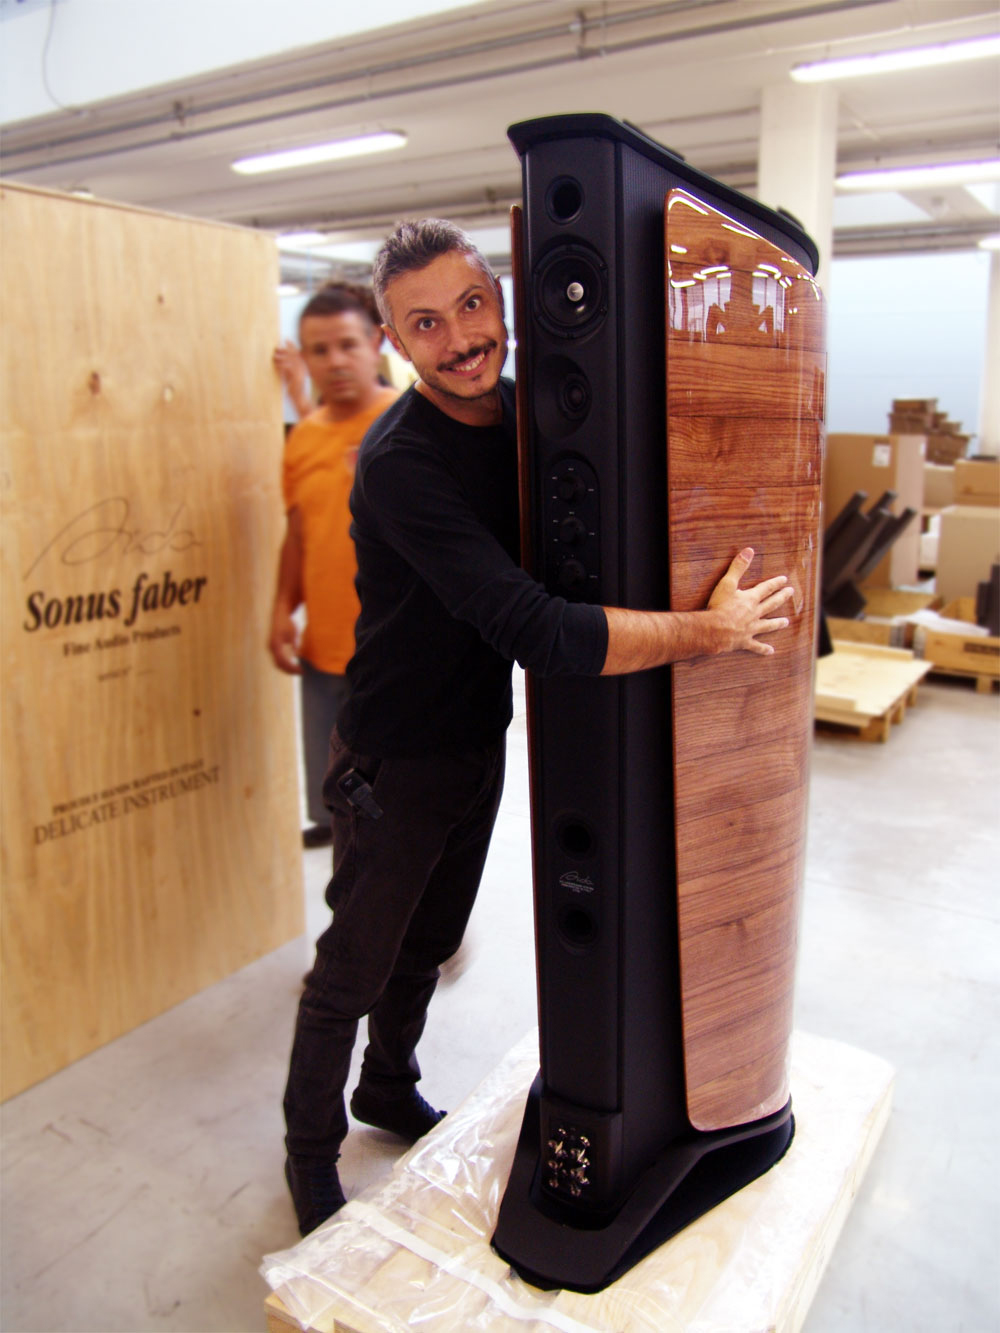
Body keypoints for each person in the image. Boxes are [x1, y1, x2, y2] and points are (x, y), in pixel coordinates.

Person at [281, 219, 795, 1236]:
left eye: (470, 305)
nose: (459, 337)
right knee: (354, 967)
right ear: (394, 340)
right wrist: (706, 631)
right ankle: (307, 1154)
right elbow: (535, 626)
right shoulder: (399, 463)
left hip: (474, 735)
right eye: (425, 323)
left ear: (502, 300)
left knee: (430, 939)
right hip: (393, 754)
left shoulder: (524, 414)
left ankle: (387, 1086)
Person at [268, 283, 397, 847]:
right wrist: (281, 609)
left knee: (394, 810)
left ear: (376, 343)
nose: (336, 361)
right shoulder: (304, 437)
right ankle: (335, 842)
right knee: (333, 793)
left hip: (392, 654)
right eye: (319, 350)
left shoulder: (405, 424)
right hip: (323, 647)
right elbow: (298, 531)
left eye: (348, 344)